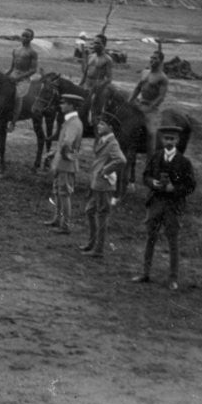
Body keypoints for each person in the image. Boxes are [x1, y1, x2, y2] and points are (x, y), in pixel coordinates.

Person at [132, 125, 197, 291]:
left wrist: (174, 189)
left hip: (172, 206)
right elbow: (145, 176)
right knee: (150, 238)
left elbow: (190, 186)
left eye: (172, 139)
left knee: (172, 241)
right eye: (166, 138)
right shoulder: (156, 157)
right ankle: (145, 273)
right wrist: (152, 182)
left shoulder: (184, 162)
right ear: (162, 140)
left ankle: (173, 278)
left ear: (177, 141)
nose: (169, 141)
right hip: (155, 203)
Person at [80, 117, 126, 259]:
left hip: (104, 185)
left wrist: (105, 170)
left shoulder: (112, 143)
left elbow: (121, 160)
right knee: (90, 211)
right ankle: (92, 243)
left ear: (110, 127)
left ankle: (98, 249)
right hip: (97, 184)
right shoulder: (103, 140)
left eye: (102, 124)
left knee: (101, 215)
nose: (99, 126)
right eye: (99, 123)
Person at [43, 94, 83, 234]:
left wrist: (59, 154)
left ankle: (65, 225)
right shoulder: (71, 121)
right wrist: (55, 152)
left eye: (64, 103)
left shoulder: (73, 123)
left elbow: (67, 142)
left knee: (64, 194)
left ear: (71, 106)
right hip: (63, 162)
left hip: (66, 164)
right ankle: (57, 219)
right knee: (58, 192)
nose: (61, 105)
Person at [129, 51, 169, 157]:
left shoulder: (162, 78)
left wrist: (150, 108)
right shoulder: (145, 72)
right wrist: (130, 101)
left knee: (151, 132)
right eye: (151, 57)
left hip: (151, 109)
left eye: (155, 58)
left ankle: (151, 158)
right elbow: (138, 88)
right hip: (139, 103)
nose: (152, 60)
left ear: (161, 61)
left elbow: (161, 97)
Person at [6, 28, 40, 132]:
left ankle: (13, 122)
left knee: (18, 96)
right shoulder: (16, 50)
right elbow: (12, 67)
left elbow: (33, 70)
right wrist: (5, 75)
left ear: (31, 38)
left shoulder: (32, 52)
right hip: (13, 75)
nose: (24, 38)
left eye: (27, 36)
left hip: (23, 79)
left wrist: (19, 77)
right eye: (23, 35)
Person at [80, 36, 113, 124]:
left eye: (98, 43)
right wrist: (80, 84)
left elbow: (109, 78)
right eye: (94, 43)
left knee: (95, 111)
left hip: (97, 89)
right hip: (86, 86)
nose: (95, 45)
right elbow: (85, 73)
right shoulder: (90, 56)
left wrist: (98, 87)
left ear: (104, 45)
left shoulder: (107, 59)